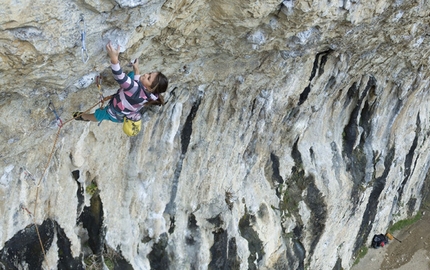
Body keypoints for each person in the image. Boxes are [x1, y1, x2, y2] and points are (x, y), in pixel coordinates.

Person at [74, 42, 168, 123]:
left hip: (115, 113)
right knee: (132, 75)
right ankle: (126, 88)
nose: (146, 74)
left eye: (148, 78)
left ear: (150, 88)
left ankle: (83, 117)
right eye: (150, 73)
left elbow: (120, 77)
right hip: (125, 109)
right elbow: (137, 87)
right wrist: (136, 69)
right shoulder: (152, 95)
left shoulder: (135, 89)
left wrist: (114, 59)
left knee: (99, 115)